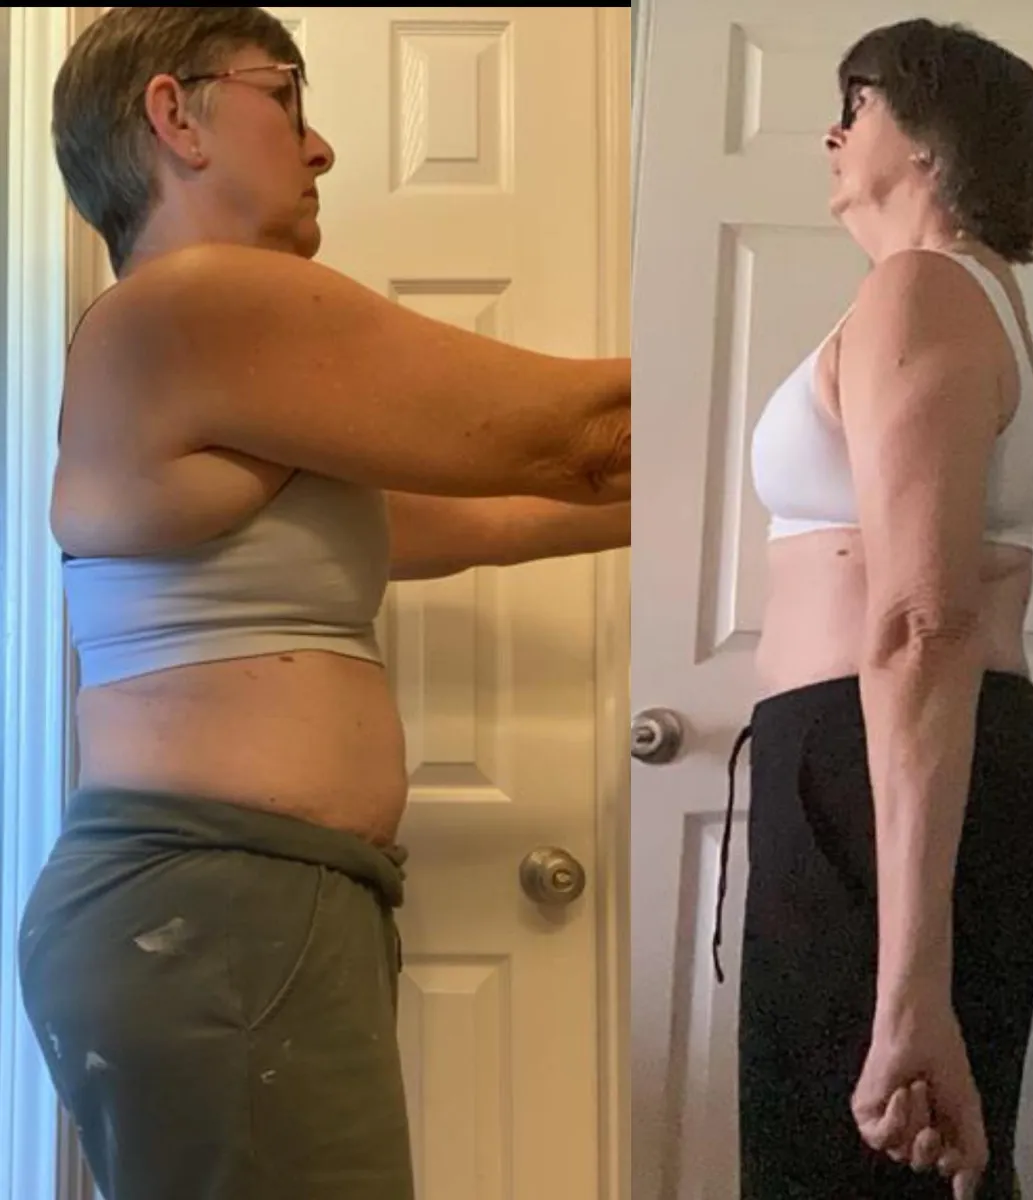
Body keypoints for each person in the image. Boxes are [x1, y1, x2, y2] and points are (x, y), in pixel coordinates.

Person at [17, 8, 629, 1200]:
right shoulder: (196, 305)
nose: (321, 146)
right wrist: (825, 397)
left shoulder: (208, 369)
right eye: (286, 96)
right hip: (219, 908)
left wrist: (728, 494)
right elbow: (580, 437)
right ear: (174, 115)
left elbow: (491, 519)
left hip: (230, 910)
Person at [711, 19, 1033, 1200]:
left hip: (882, 768)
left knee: (864, 1162)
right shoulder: (945, 295)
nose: (831, 134)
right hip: (865, 764)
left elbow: (922, 621)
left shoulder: (925, 291)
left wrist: (911, 985)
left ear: (931, 140)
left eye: (855, 106)